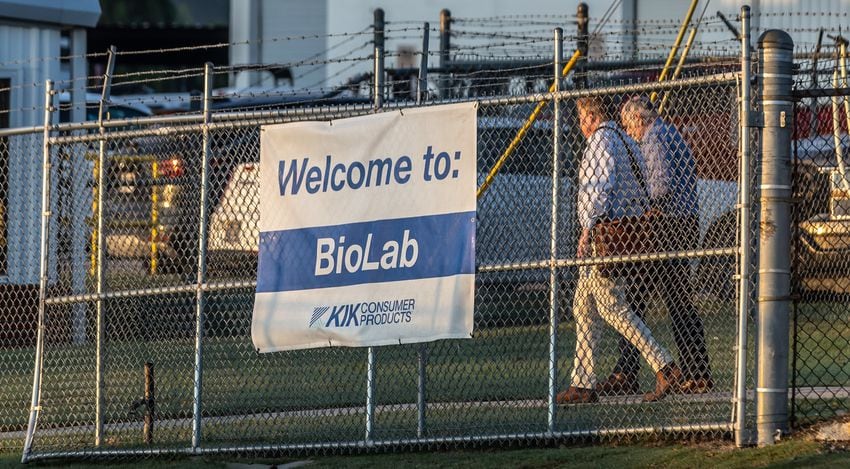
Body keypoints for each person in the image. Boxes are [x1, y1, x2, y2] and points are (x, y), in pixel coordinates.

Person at [556, 96, 682, 404]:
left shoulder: (601, 141)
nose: (582, 123)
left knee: (612, 308)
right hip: (623, 232)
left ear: (595, 115)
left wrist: (586, 229)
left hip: (604, 236)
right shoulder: (626, 140)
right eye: (582, 117)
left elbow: (596, 190)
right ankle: (582, 383)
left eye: (586, 116)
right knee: (583, 307)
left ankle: (665, 365)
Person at [593, 95, 712, 396]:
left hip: (665, 228)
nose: (627, 131)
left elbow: (660, 185)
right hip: (685, 222)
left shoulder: (653, 139)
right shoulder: (672, 132)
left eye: (627, 124)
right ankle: (696, 373)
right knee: (677, 300)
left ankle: (628, 373)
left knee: (635, 298)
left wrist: (644, 208)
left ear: (638, 120)